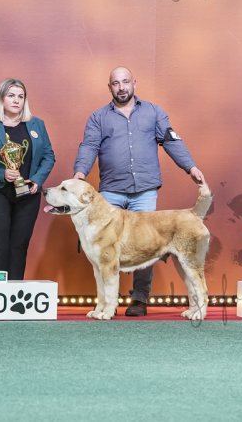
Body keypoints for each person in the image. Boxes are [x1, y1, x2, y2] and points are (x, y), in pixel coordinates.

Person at [73, 66, 205, 317]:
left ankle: (139, 299)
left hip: (145, 190)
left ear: (134, 82)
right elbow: (89, 146)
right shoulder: (98, 117)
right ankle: (106, 304)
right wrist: (80, 172)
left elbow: (171, 141)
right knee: (104, 251)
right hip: (110, 192)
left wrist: (191, 167)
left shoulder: (154, 112)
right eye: (116, 83)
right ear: (109, 87)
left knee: (146, 244)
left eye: (125, 82)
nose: (121, 87)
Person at [0, 78, 56, 280]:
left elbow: (48, 156)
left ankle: (14, 292)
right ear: (1, 98)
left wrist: (37, 179)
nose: (16, 100)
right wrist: (2, 174)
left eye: (21, 96)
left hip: (28, 194)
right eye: (11, 96)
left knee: (19, 246)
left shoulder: (37, 124)